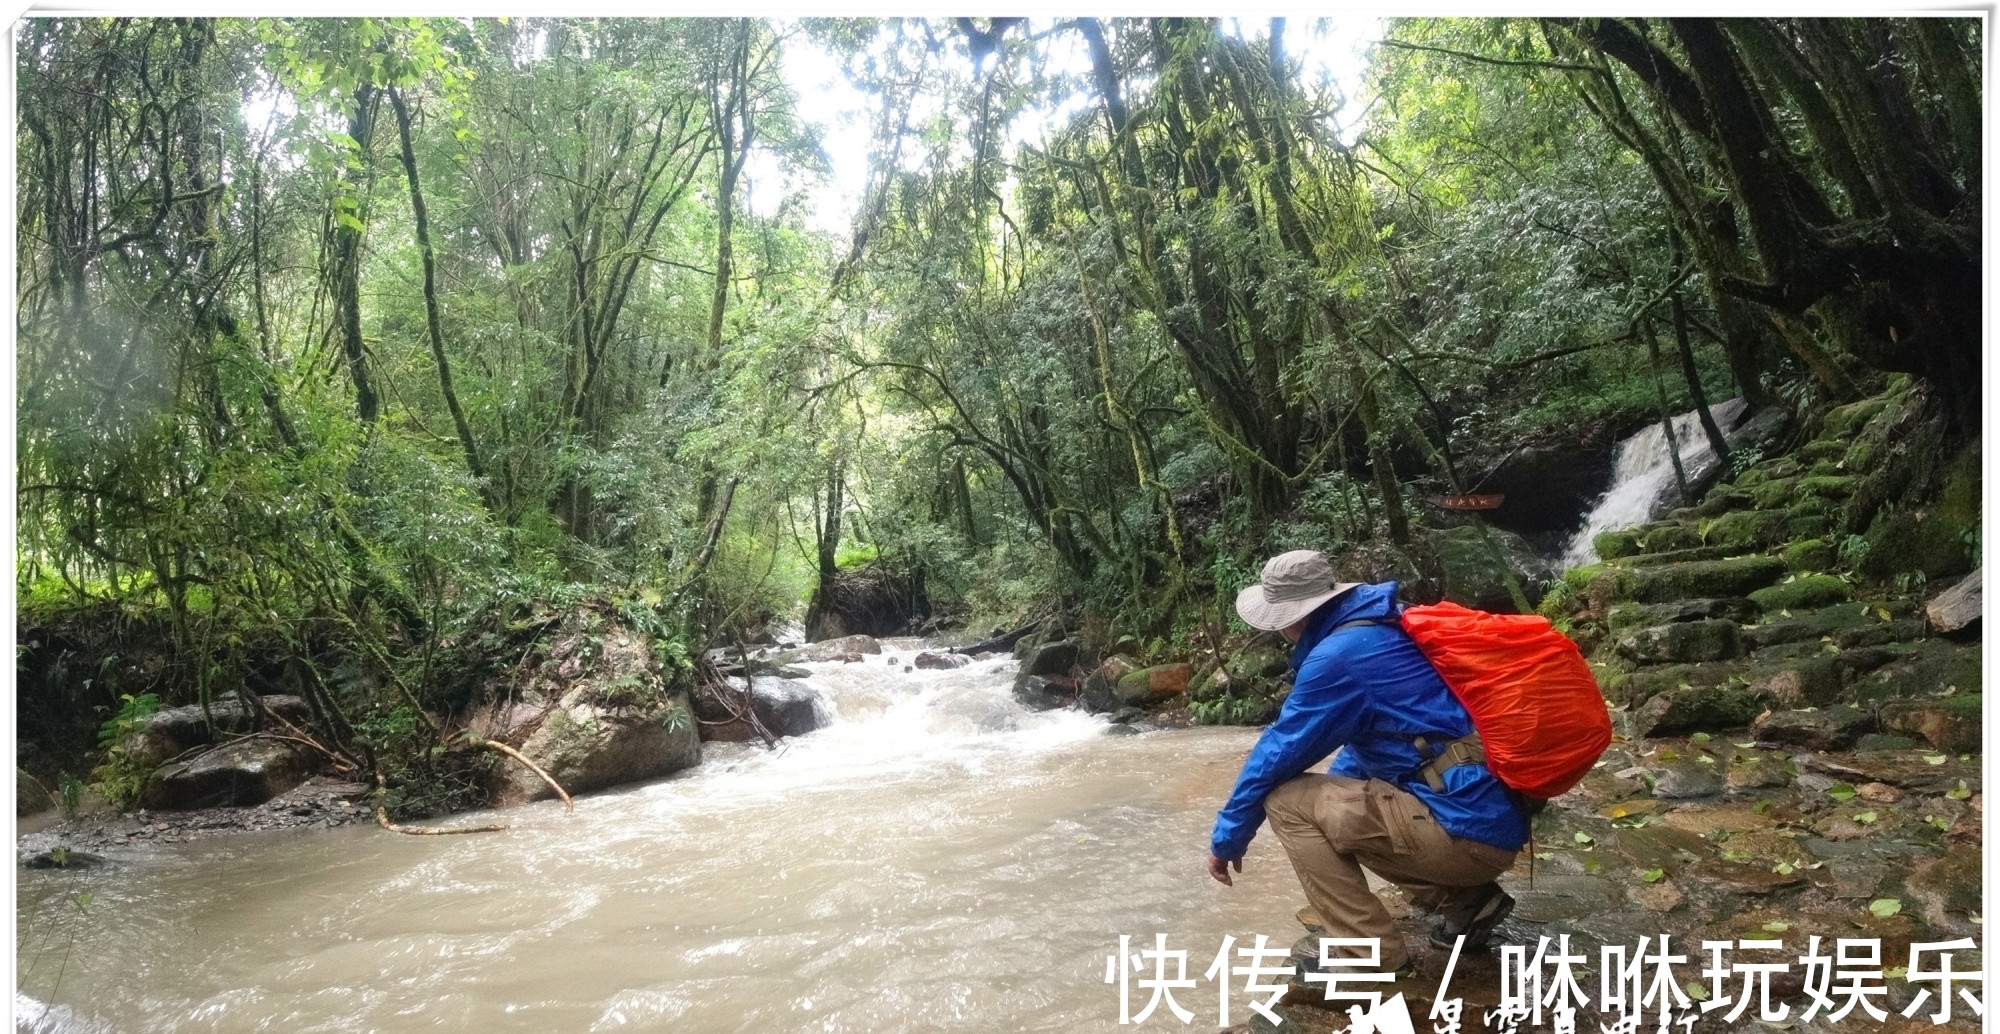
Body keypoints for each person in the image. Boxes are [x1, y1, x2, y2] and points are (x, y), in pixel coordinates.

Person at [1205, 550, 1528, 974]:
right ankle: (1470, 903)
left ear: (1291, 615)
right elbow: (1366, 752)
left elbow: (1275, 755)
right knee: (1336, 815)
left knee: (1285, 801)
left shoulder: (1337, 659)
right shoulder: (1384, 625)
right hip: (1491, 812)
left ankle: (1370, 958)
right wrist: (1340, 824)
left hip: (1467, 833)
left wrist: (1226, 839)